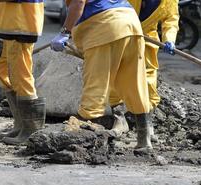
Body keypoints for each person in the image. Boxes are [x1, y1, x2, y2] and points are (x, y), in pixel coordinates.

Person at [50, 0, 153, 150]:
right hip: (131, 24)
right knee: (134, 83)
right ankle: (144, 141)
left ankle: (87, 137)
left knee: (96, 81)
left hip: (104, 26)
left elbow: (78, 2)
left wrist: (65, 32)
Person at [108, 0, 179, 142]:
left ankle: (147, 124)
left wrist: (169, 39)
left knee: (148, 80)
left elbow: (171, 19)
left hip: (147, 37)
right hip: (121, 34)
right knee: (114, 76)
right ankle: (119, 118)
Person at [0, 0, 46, 145]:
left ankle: (31, 130)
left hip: (20, 25)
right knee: (3, 68)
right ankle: (20, 124)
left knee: (21, 75)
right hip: (9, 24)